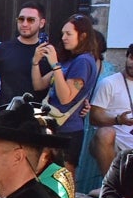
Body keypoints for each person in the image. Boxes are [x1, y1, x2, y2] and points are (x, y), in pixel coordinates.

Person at [32, 13, 101, 171]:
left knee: (64, 181)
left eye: (69, 34)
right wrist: (35, 62)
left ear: (82, 36)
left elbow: (65, 98)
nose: (63, 37)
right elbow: (38, 84)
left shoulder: (83, 61)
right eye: (63, 33)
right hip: (53, 127)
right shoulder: (70, 60)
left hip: (68, 129)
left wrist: (55, 65)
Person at [0, 2, 51, 113]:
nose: (24, 24)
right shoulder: (1, 50)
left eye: (30, 20)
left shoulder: (49, 53)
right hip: (7, 116)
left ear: (41, 23)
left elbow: (60, 82)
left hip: (38, 119)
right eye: (21, 19)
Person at [89, 43, 133, 177]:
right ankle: (110, 186)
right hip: (114, 144)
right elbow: (94, 117)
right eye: (132, 58)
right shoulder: (109, 83)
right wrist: (118, 120)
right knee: (105, 133)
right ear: (127, 57)